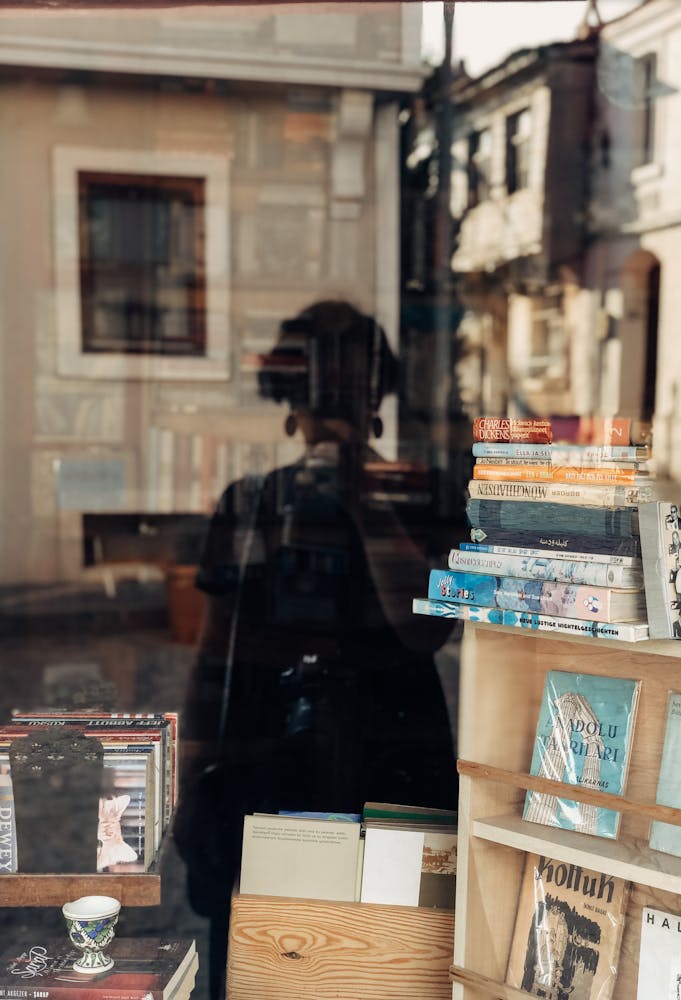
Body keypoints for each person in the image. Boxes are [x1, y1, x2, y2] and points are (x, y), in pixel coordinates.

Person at [175, 300, 460, 999]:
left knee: (400, 960)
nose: (328, 411)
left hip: (398, 769)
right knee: (269, 960)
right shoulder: (252, 503)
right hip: (270, 763)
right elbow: (215, 660)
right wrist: (190, 789)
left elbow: (427, 625)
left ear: (375, 406)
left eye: (346, 391)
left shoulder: (420, 498)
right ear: (291, 408)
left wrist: (366, 500)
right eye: (316, 391)